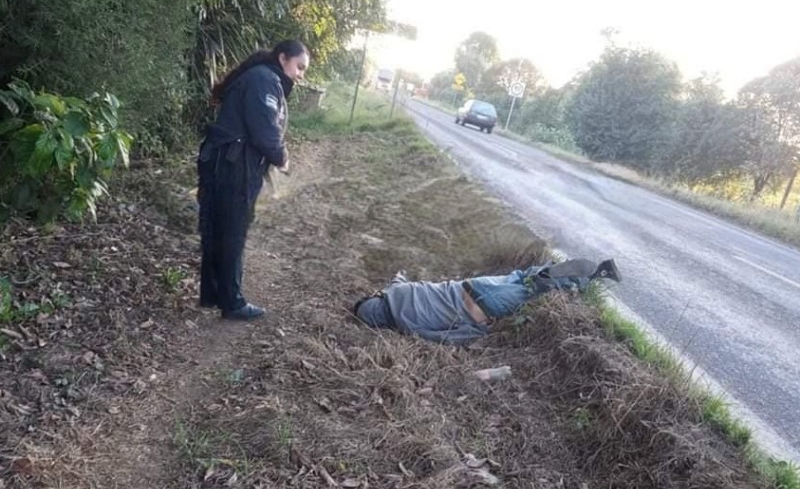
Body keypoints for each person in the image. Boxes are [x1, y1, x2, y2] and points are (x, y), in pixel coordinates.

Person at [197, 40, 310, 320]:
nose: (300, 74)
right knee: (233, 232)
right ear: (283, 58)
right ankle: (232, 303)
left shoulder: (262, 76)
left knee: (219, 229)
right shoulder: (264, 80)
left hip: (224, 161)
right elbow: (265, 130)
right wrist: (281, 157)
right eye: (299, 67)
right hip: (234, 166)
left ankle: (215, 295)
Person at [353, 258, 621, 345]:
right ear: (376, 299)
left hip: (484, 307)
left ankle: (595, 275)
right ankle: (559, 268)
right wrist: (399, 276)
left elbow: (444, 338)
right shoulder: (396, 292)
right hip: (475, 285)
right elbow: (398, 280)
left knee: (536, 289)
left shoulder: (408, 326)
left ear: (380, 323)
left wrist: (478, 332)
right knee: (521, 276)